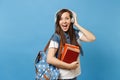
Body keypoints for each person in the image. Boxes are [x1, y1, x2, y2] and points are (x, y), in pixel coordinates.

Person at [46, 9, 96, 80]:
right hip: (62, 77)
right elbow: (49, 59)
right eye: (61, 19)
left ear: (71, 20)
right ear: (58, 22)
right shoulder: (56, 37)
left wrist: (77, 24)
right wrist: (68, 66)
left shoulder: (76, 34)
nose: (64, 21)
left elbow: (92, 38)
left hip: (73, 75)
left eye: (67, 18)